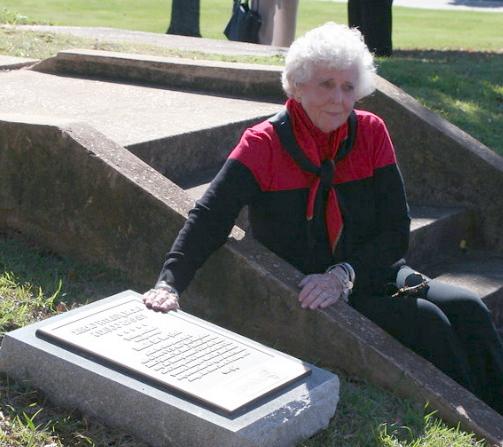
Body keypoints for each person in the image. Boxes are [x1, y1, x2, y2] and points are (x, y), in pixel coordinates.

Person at [143, 22, 503, 414]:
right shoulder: (262, 144)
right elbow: (210, 216)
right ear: (296, 86)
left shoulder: (371, 132)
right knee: (429, 322)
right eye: (325, 84)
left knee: (470, 307)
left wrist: (344, 274)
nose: (338, 99)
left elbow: (396, 231)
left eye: (348, 87)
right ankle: (480, 423)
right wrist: (170, 283)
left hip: (364, 272)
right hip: (309, 286)